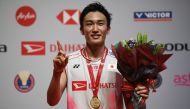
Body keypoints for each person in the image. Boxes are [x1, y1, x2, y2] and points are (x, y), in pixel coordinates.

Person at [47, 2, 149, 109]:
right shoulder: (69, 61)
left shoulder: (121, 61)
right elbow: (52, 101)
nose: (95, 29)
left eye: (100, 24)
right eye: (89, 24)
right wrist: (57, 72)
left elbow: (132, 107)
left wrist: (139, 98)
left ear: (108, 29)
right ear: (82, 30)